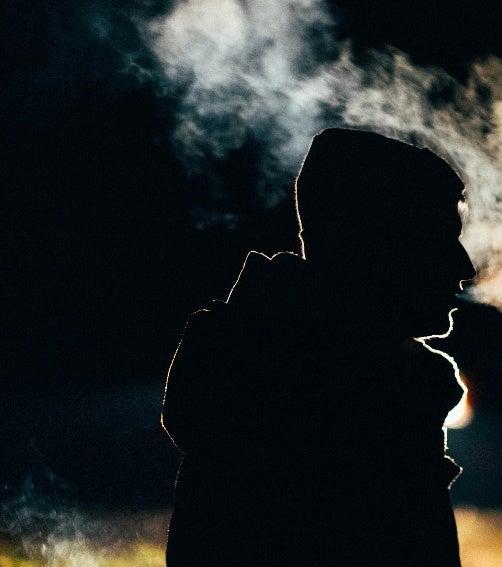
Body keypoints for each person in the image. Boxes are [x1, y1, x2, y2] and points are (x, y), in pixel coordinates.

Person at [161, 128, 476, 566]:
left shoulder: (266, 380)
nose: (465, 267)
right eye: (439, 240)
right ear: (375, 248)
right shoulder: (343, 407)